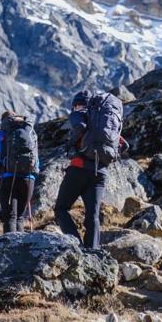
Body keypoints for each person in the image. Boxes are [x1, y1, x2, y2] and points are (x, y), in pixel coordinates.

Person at [53, 91, 107, 249]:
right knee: (93, 215)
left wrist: (70, 144)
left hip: (79, 168)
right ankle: (93, 252)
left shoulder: (79, 113)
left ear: (76, 104)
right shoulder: (102, 119)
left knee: (61, 209)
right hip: (100, 172)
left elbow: (80, 127)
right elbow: (124, 144)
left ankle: (77, 247)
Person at [0, 111, 39, 233]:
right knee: (20, 216)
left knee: (10, 217)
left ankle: (10, 249)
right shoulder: (31, 132)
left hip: (9, 178)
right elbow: (37, 162)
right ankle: (21, 247)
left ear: (3, 122)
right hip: (29, 179)